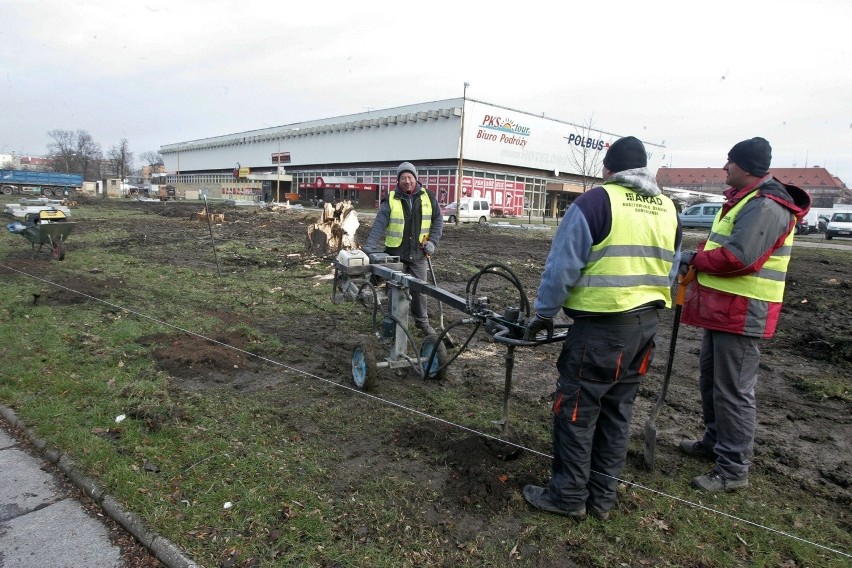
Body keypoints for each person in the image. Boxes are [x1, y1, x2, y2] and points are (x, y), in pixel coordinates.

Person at [522, 136, 682, 520]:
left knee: (576, 411)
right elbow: (672, 268)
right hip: (645, 327)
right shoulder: (667, 209)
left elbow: (561, 268)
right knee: (616, 413)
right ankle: (601, 498)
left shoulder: (596, 202)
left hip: (601, 331)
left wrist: (543, 313)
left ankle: (567, 497)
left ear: (608, 170)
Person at [678, 137, 811, 492]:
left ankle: (733, 468)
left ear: (747, 168)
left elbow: (738, 258)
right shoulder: (746, 201)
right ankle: (715, 443)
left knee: (733, 390)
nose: (724, 168)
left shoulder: (766, 206)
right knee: (712, 382)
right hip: (724, 310)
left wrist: (693, 259)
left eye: (730, 162)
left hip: (743, 312)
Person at [363, 162, 444, 336]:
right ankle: (393, 323)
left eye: (410, 177)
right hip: (396, 255)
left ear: (416, 178)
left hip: (419, 254)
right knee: (395, 289)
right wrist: (369, 246)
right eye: (403, 178)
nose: (407, 181)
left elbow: (438, 220)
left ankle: (422, 324)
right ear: (398, 180)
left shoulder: (428, 197)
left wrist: (433, 242)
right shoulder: (391, 198)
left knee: (420, 291)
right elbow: (380, 224)